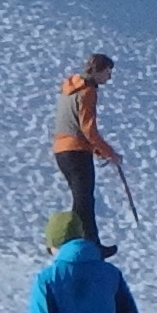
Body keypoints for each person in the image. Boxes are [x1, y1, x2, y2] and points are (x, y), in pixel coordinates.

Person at [51, 52, 124, 245]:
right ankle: (89, 245)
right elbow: (88, 129)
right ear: (98, 71)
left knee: (80, 199)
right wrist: (110, 153)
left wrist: (98, 150)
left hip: (61, 150)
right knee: (84, 201)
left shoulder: (70, 86)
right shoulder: (88, 91)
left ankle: (79, 242)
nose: (109, 77)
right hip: (77, 152)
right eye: (107, 72)